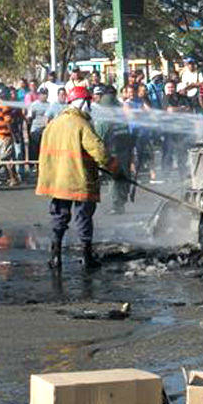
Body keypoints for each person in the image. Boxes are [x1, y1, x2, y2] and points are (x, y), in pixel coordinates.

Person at [36, 86, 118, 270]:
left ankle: (55, 257)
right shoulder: (82, 124)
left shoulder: (53, 124)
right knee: (83, 218)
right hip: (79, 179)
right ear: (82, 102)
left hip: (58, 181)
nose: (90, 107)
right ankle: (87, 257)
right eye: (89, 102)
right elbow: (99, 151)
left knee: (59, 217)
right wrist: (114, 167)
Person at [95, 91, 134, 215]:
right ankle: (121, 202)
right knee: (123, 177)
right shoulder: (122, 119)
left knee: (114, 180)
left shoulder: (103, 121)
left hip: (113, 153)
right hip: (125, 152)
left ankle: (116, 205)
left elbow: (99, 138)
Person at [27, 87, 50, 163]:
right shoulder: (34, 105)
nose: (44, 96)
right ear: (39, 95)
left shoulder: (50, 105)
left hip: (45, 130)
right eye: (43, 94)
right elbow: (30, 117)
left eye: (46, 94)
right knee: (34, 149)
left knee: (43, 149)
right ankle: (33, 165)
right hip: (36, 130)